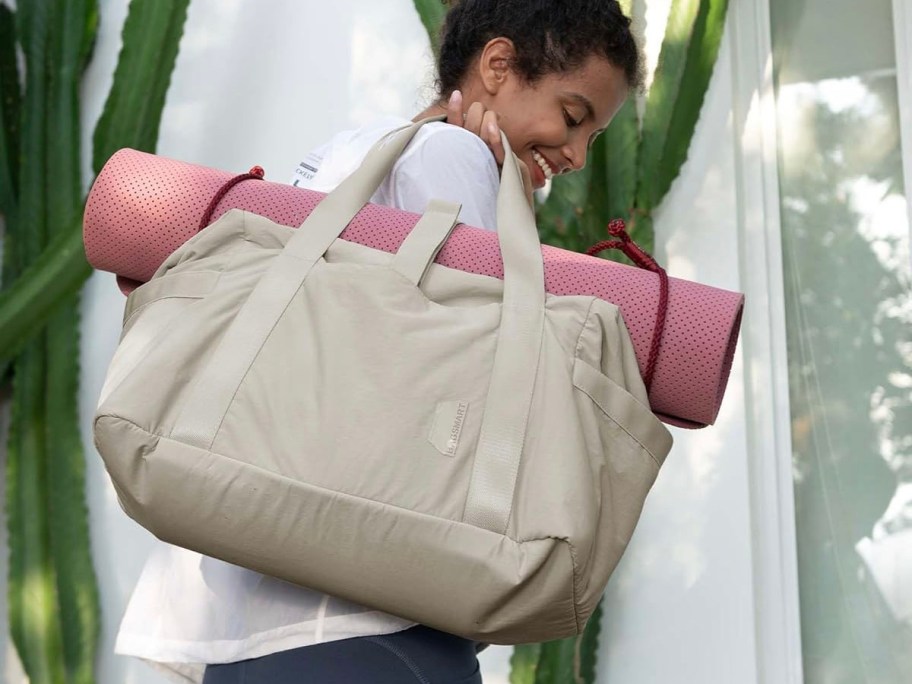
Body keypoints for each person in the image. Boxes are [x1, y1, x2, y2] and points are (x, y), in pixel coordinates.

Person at [115, 1, 643, 682]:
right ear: (499, 65)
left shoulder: (349, 150)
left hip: (239, 623)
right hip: (372, 622)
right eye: (573, 118)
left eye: (593, 138)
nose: (575, 154)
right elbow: (474, 381)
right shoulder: (456, 156)